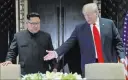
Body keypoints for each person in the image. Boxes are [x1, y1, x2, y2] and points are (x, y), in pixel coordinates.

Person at [44, 3, 125, 76]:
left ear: (96, 13)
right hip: (89, 66)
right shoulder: (80, 28)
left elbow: (118, 42)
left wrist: (122, 57)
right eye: (85, 15)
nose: (87, 18)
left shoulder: (109, 24)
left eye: (89, 15)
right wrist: (56, 52)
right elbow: (69, 43)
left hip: (108, 63)